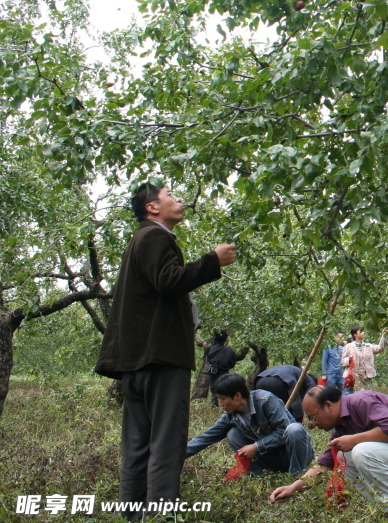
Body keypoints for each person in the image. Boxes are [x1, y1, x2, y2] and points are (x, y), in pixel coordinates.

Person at [94, 181, 236, 519]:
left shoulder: (140, 240)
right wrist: (212, 261)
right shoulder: (156, 236)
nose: (179, 200)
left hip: (138, 360)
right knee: (167, 443)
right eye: (171, 195)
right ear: (153, 208)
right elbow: (170, 281)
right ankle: (160, 515)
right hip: (161, 357)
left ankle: (133, 514)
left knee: (137, 444)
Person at [269, 385, 388, 523]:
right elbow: (324, 465)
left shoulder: (361, 401)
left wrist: (354, 440)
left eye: (313, 417)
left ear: (328, 405)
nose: (312, 425)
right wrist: (292, 488)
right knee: (344, 456)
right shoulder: (341, 428)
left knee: (359, 450)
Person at [186, 373, 314, 474]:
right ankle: (260, 473)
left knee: (294, 429)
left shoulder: (265, 400)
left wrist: (257, 447)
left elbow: (283, 431)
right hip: (274, 458)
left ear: (237, 396)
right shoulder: (231, 416)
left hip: (294, 455)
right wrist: (176, 455)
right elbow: (206, 438)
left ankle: (296, 475)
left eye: (223, 399)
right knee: (232, 433)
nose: (220, 404)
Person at [341, 325, 388, 393]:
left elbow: (380, 348)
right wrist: (349, 360)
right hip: (353, 377)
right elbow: (343, 361)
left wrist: (383, 336)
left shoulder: (368, 346)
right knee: (354, 398)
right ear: (355, 334)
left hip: (366, 377)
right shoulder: (348, 347)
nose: (363, 333)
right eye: (361, 331)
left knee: (367, 398)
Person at [206, 330, 243, 407]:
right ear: (226, 339)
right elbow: (232, 363)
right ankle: (223, 407)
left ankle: (214, 407)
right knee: (224, 391)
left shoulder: (211, 348)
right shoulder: (229, 350)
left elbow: (208, 358)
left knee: (214, 391)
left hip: (213, 372)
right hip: (224, 373)